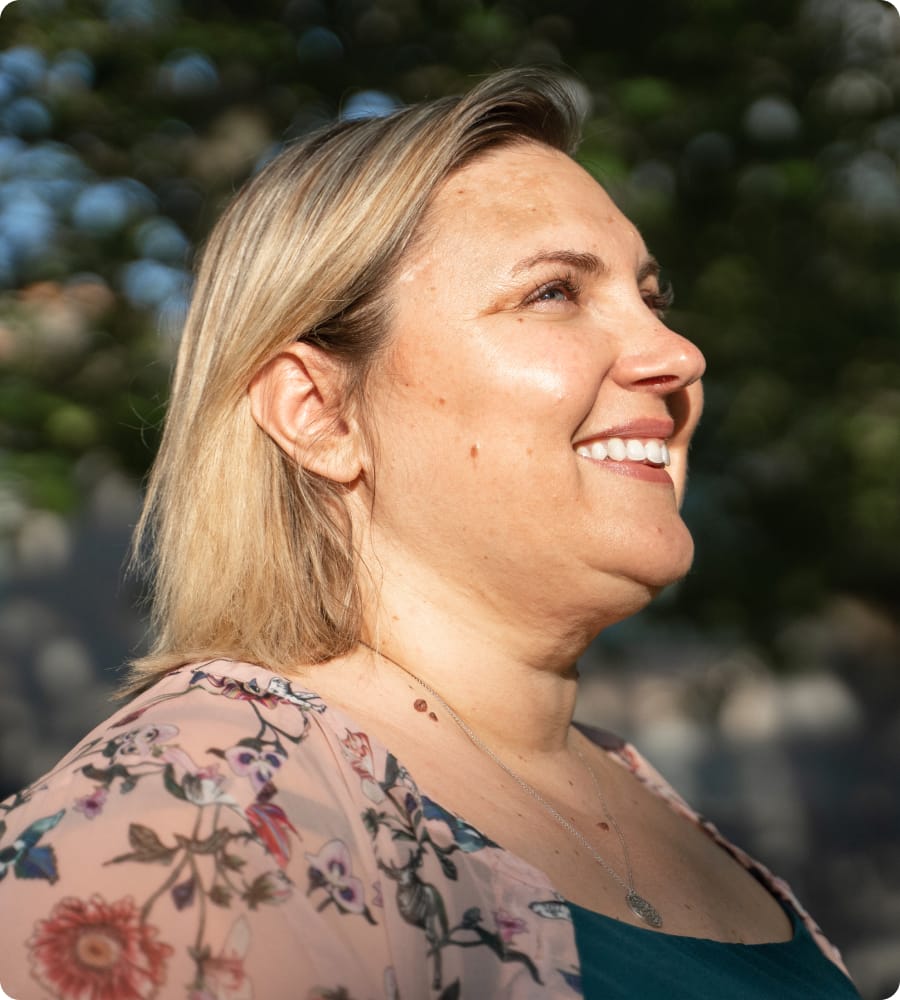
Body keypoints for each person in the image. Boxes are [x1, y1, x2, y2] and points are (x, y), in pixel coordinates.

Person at [0, 68, 859, 1000]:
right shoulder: (188, 821)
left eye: (653, 298)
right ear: (318, 412)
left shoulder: (637, 796)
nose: (678, 354)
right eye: (552, 295)